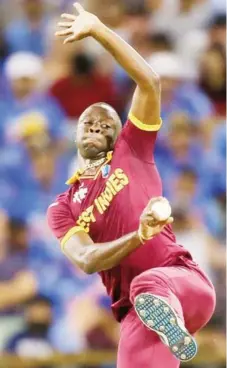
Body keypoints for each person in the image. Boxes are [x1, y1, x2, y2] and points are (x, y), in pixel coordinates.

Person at [47, 4, 216, 368]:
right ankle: (168, 328)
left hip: (184, 283)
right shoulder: (62, 208)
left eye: (106, 123)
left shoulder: (133, 150)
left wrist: (98, 29)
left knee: (147, 285)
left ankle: (167, 312)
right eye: (87, 121)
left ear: (116, 136)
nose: (95, 124)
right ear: (74, 134)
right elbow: (86, 259)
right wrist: (138, 235)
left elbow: (150, 81)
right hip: (138, 317)